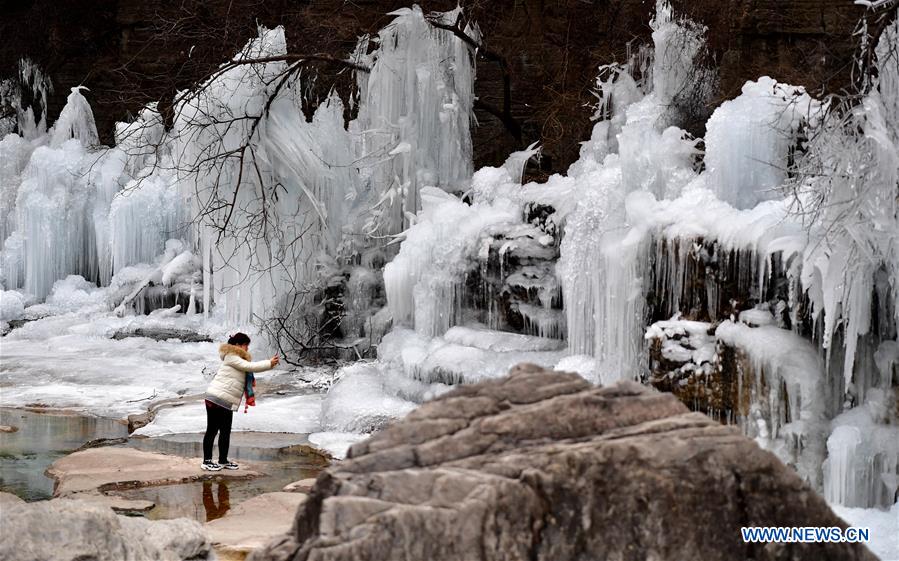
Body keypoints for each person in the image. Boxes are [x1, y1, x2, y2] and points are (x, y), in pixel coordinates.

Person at [201, 332, 279, 471]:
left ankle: (223, 460)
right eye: (245, 345)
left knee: (225, 431)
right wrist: (269, 363)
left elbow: (247, 367)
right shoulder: (231, 356)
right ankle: (206, 461)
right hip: (216, 398)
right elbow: (250, 367)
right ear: (237, 345)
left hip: (226, 400)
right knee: (212, 430)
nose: (247, 348)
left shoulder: (237, 358)